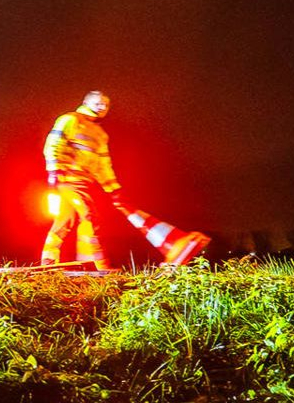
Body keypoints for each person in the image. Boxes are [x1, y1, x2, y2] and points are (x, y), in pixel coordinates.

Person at [41, 90, 208, 269]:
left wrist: (113, 189)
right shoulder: (70, 120)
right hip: (68, 179)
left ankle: (48, 262)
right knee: (89, 215)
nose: (103, 107)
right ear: (86, 102)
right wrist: (54, 170)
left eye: (106, 105)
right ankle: (95, 264)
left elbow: (103, 166)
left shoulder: (100, 134)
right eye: (98, 103)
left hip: (84, 182)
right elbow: (53, 143)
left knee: (65, 220)